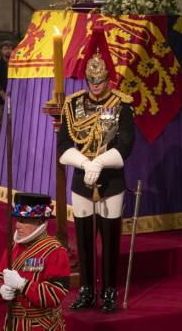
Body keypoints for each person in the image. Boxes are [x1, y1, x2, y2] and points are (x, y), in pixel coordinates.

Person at [58, 26, 135, 313]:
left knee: (111, 236)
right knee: (85, 237)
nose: (95, 85)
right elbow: (63, 144)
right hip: (81, 178)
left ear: (108, 78)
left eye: (100, 80)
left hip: (111, 179)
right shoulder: (73, 104)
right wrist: (86, 164)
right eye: (91, 80)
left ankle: (110, 290)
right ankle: (88, 289)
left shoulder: (121, 105)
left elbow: (126, 145)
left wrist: (101, 162)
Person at [0, 193, 70, 330]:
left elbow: (56, 293)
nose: (18, 226)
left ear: (40, 222)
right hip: (13, 325)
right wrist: (0, 289)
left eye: (24, 221)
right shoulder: (13, 247)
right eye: (17, 220)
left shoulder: (55, 251)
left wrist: (23, 285)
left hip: (42, 326)